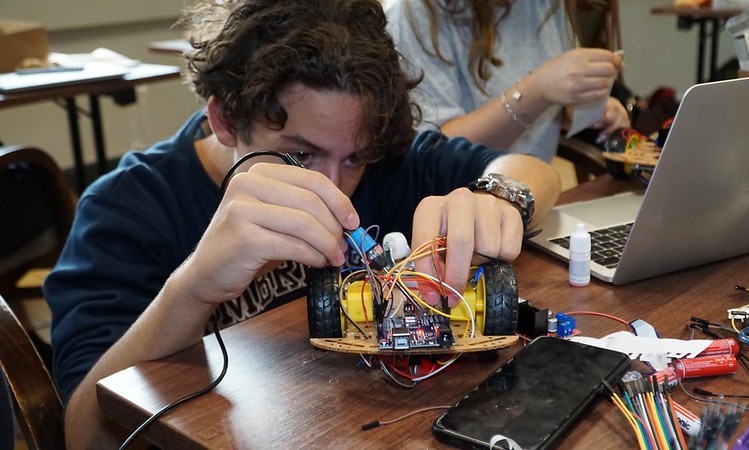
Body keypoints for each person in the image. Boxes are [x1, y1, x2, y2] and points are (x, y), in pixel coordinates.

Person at [43, 0, 561, 447]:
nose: (332, 187)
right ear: (225, 120)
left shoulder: (382, 163)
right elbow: (83, 434)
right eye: (300, 155)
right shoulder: (128, 208)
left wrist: (497, 199)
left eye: (354, 158)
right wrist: (193, 287)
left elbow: (531, 171)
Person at [383, 0, 631, 162]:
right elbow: (435, 153)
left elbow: (554, 101)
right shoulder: (412, 13)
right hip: (454, 206)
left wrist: (584, 108)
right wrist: (538, 90)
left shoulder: (545, 5)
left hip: (529, 195)